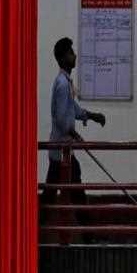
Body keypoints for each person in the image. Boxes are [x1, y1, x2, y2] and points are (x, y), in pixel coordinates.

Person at [42, 37, 106, 207]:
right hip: (61, 148)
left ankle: (41, 219)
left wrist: (92, 116)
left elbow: (73, 109)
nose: (75, 55)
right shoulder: (63, 84)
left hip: (63, 148)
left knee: (56, 189)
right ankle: (83, 222)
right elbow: (62, 119)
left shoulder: (65, 82)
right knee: (68, 188)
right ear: (63, 58)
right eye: (71, 53)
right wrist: (74, 133)